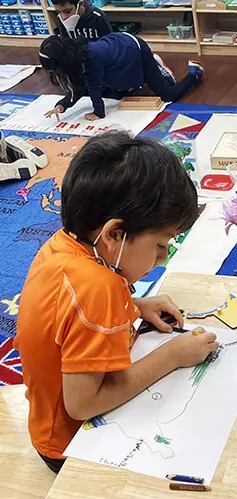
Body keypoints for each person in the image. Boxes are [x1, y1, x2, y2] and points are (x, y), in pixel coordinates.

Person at [15, 131, 218, 473]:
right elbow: (81, 404)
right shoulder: (99, 287)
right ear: (114, 234)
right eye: (160, 244)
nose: (163, 257)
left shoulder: (64, 244)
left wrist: (136, 306)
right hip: (72, 446)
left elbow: (65, 316)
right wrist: (171, 355)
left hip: (50, 426)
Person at [38, 33, 203, 121]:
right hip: (118, 51)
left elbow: (92, 87)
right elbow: (80, 86)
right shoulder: (74, 58)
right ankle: (153, 69)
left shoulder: (91, 58)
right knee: (117, 94)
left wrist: (99, 113)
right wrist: (62, 105)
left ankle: (194, 73)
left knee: (168, 95)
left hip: (136, 49)